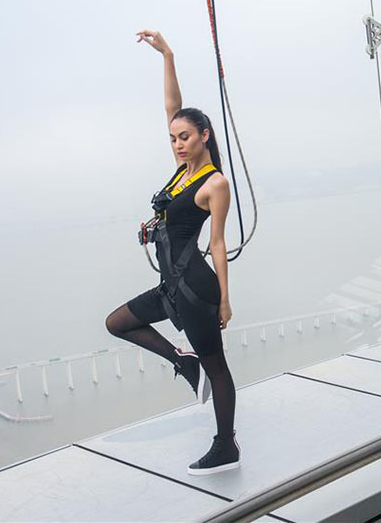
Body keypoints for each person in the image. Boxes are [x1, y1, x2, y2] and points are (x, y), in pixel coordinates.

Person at [105, 30, 239, 475]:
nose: (178, 143)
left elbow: (216, 243)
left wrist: (224, 299)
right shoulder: (180, 173)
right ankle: (182, 361)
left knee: (217, 367)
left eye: (185, 136)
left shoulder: (214, 183)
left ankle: (226, 446)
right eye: (173, 138)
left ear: (204, 136)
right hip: (170, 286)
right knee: (117, 323)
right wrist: (167, 55)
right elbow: (172, 107)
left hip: (196, 288)